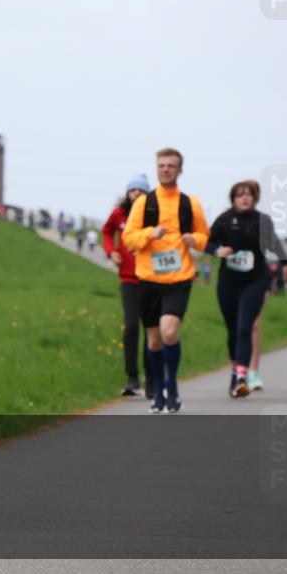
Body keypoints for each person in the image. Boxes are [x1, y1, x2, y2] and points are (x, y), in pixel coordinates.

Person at [122, 148, 210, 413]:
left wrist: (195, 240)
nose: (166, 169)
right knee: (154, 341)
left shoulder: (190, 203)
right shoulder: (143, 203)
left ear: (180, 170)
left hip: (180, 277)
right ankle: (159, 389)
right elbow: (128, 238)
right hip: (148, 278)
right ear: (156, 168)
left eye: (171, 166)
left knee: (169, 331)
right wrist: (150, 233)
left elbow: (205, 237)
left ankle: (172, 386)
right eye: (162, 165)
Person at [206, 180, 287, 398]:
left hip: (255, 280)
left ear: (255, 198)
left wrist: (286, 265)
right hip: (228, 281)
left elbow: (274, 243)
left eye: (248, 195)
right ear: (233, 199)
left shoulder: (262, 221)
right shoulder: (224, 220)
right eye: (239, 195)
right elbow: (207, 243)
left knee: (245, 326)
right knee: (233, 329)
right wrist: (217, 251)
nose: (244, 198)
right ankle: (235, 374)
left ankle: (242, 377)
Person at [102, 173, 153, 398]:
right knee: (131, 326)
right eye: (133, 190)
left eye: (140, 190)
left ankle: (152, 378)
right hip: (129, 279)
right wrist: (111, 251)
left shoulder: (154, 214)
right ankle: (132, 378)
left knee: (152, 330)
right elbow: (106, 232)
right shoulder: (119, 214)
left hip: (152, 279)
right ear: (127, 193)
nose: (136, 194)